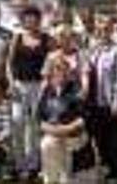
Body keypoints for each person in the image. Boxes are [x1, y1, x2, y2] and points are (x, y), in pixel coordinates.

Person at [6, 5, 51, 180]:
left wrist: (45, 85)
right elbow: (9, 63)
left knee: (34, 125)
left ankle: (33, 164)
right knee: (17, 122)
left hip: (39, 85)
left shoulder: (46, 39)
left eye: (34, 18)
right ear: (23, 21)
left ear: (39, 20)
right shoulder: (16, 38)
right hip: (19, 85)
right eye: (27, 19)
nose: (31, 21)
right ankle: (19, 163)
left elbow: (51, 61)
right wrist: (11, 83)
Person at [87, 14, 117, 183]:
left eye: (106, 28)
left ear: (112, 29)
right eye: (100, 28)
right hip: (95, 101)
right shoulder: (93, 48)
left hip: (111, 100)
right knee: (101, 138)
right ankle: (107, 168)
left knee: (116, 138)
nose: (103, 31)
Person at [38, 56, 87, 184]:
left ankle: (66, 178)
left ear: (68, 71)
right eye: (57, 68)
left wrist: (65, 129)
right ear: (52, 71)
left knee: (61, 147)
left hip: (73, 134)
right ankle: (51, 179)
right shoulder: (47, 90)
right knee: (47, 144)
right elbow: (40, 118)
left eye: (64, 69)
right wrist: (52, 130)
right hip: (53, 133)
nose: (60, 72)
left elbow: (83, 118)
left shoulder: (76, 89)